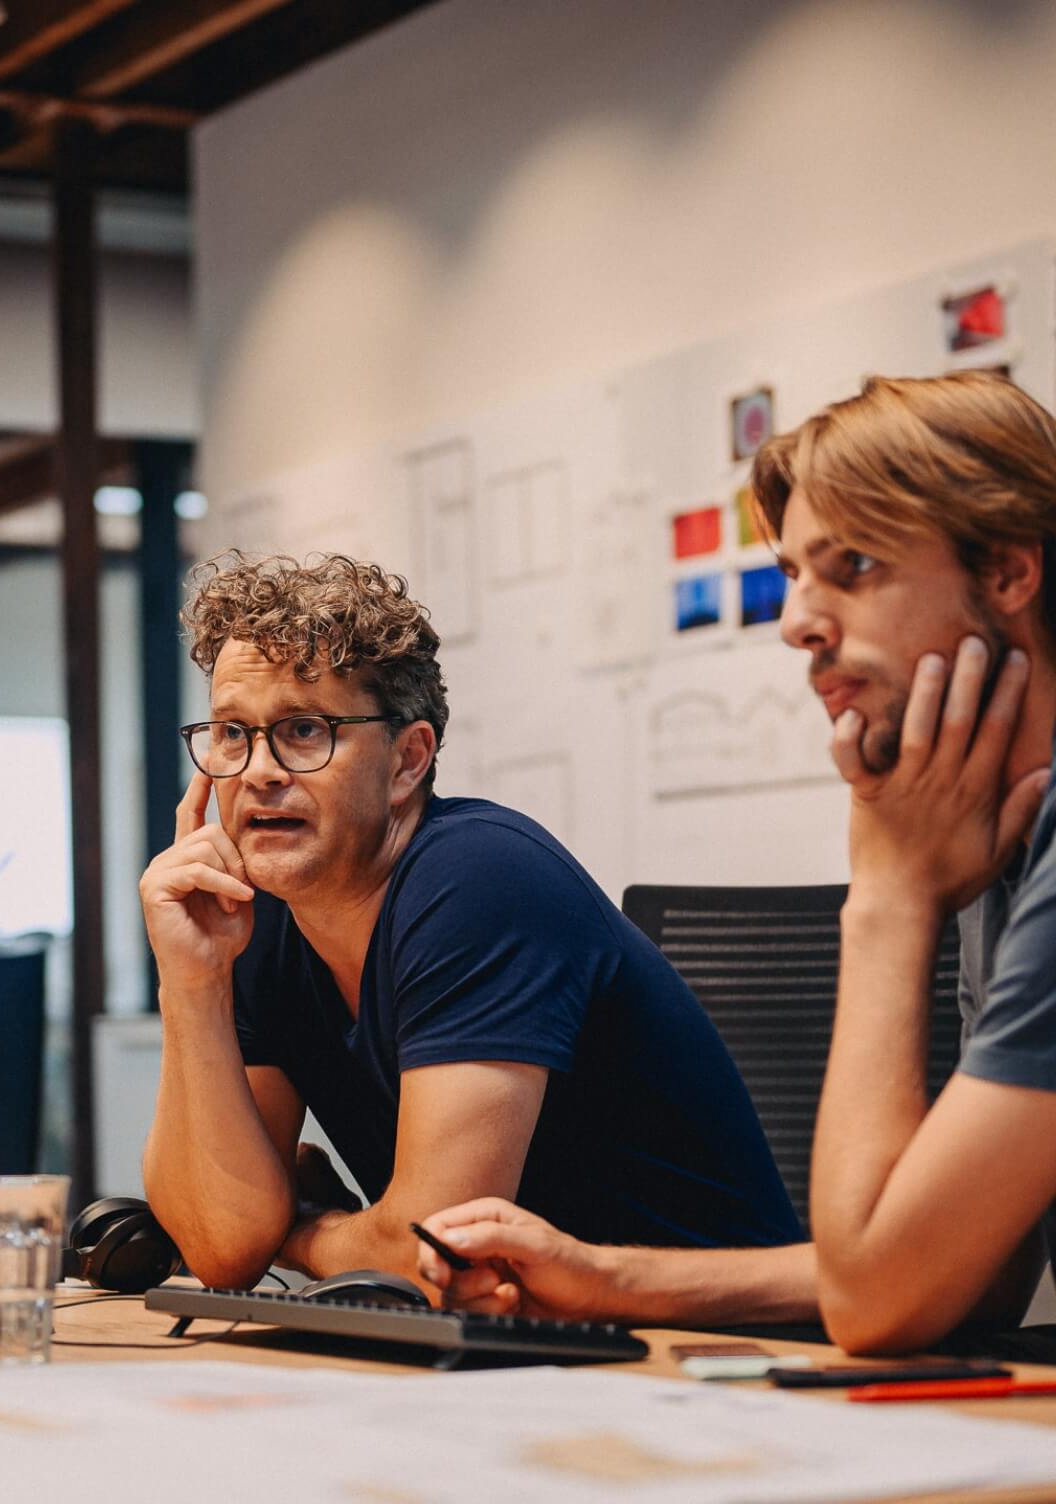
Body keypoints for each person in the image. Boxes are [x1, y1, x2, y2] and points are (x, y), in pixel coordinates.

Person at [417, 371, 1056, 1363]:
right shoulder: (994, 842)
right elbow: (964, 1262)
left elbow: (883, 1297)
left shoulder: (939, 859)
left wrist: (888, 897)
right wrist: (605, 1280)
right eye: (793, 574)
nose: (797, 622)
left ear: (1009, 573)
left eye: (853, 566)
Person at [139, 550, 806, 1304]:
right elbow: (221, 1248)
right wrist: (190, 982)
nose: (259, 770)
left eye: (303, 730)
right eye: (232, 732)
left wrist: (298, 1229)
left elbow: (428, 1256)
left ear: (407, 761)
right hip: (525, 1345)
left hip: (715, 1340)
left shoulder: (480, 879)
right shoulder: (254, 913)